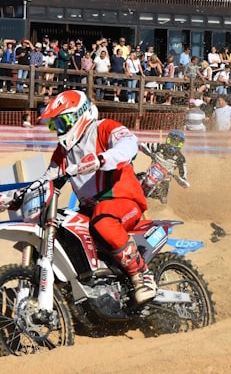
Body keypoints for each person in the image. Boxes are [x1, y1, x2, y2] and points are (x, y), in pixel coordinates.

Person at [33, 90, 155, 304]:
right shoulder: (63, 152)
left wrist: (101, 159)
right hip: (91, 210)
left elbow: (129, 144)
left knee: (103, 221)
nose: (57, 130)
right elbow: (48, 177)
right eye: (54, 125)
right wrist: (20, 193)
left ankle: (142, 275)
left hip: (124, 202)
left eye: (61, 123)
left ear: (79, 115)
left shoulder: (103, 128)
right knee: (64, 226)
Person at [138, 130, 188, 203]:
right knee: (135, 177)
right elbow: (142, 145)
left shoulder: (180, 158)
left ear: (180, 144)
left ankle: (157, 209)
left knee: (163, 198)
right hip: (151, 172)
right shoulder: (159, 146)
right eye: (171, 141)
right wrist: (150, 154)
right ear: (168, 139)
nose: (173, 145)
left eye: (176, 143)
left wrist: (182, 179)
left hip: (165, 179)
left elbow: (184, 175)